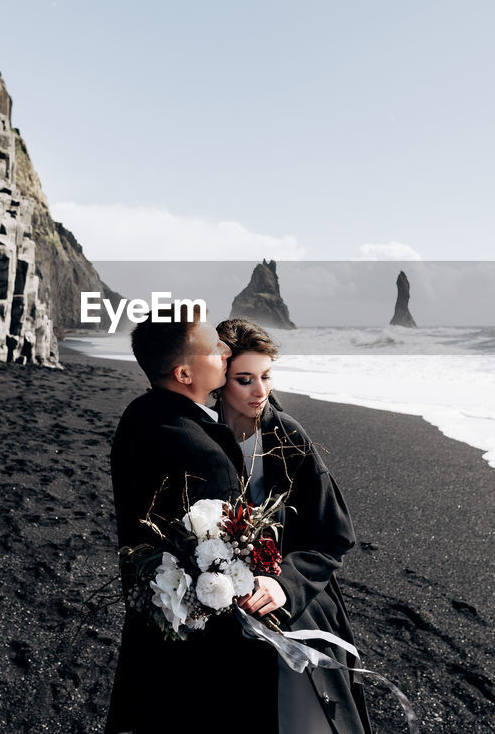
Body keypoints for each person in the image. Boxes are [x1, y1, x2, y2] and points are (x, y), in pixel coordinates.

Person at [105, 307, 279, 734]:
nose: (225, 350)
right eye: (213, 347)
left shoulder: (141, 414)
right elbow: (219, 558)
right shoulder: (197, 451)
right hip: (196, 647)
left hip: (150, 618)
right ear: (184, 374)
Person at [214, 317, 373, 734]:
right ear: (219, 377)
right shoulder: (197, 437)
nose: (260, 391)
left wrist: (285, 585)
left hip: (293, 603)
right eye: (244, 379)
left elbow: (335, 535)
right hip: (214, 606)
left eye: (266, 376)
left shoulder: (288, 436)